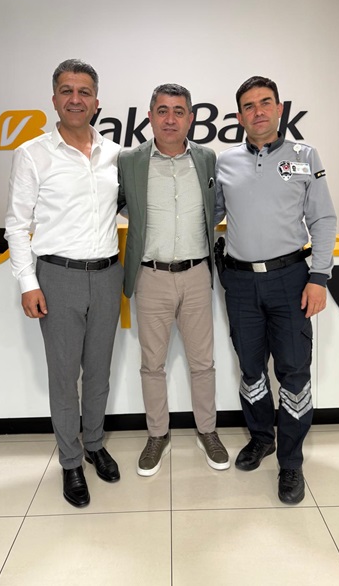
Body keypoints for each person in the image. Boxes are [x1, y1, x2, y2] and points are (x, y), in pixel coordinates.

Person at [5, 59, 123, 508]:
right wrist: (27, 283)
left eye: (84, 91)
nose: (76, 99)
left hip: (107, 275)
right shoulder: (32, 154)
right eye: (67, 90)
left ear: (97, 101)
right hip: (57, 277)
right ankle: (71, 461)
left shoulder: (115, 154)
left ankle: (94, 443)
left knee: (99, 371)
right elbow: (17, 225)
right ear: (54, 99)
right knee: (63, 375)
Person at [215, 75, 336, 504]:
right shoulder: (224, 162)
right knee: (250, 368)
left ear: (280, 108)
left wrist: (319, 277)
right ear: (239, 116)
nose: (258, 111)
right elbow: (209, 214)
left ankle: (291, 461)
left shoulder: (305, 156)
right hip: (239, 281)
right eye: (249, 106)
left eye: (265, 102)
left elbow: (323, 219)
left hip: (290, 279)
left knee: (293, 371)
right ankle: (261, 437)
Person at [118, 83, 230, 476]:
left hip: (197, 274)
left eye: (178, 111)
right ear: (150, 117)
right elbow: (115, 204)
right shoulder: (129, 161)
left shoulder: (206, 158)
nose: (170, 119)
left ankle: (208, 431)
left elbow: (218, 207)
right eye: (162, 111)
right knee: (152, 364)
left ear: (191, 118)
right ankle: (157, 435)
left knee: (203, 363)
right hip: (151, 276)